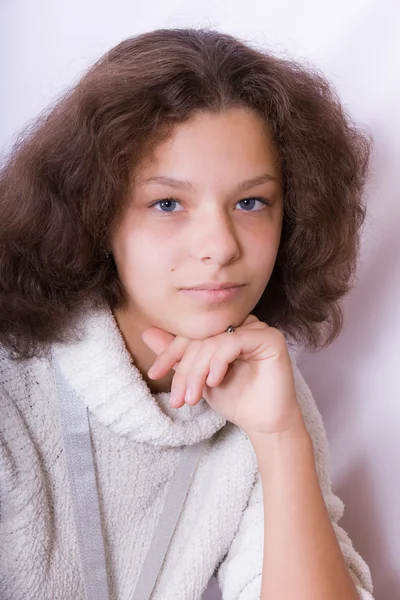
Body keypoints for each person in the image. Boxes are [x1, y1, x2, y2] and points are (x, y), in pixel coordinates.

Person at [0, 28, 375, 600]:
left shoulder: (265, 390)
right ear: (95, 213)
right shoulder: (10, 385)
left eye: (251, 202)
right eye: (168, 204)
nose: (220, 246)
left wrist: (279, 439)